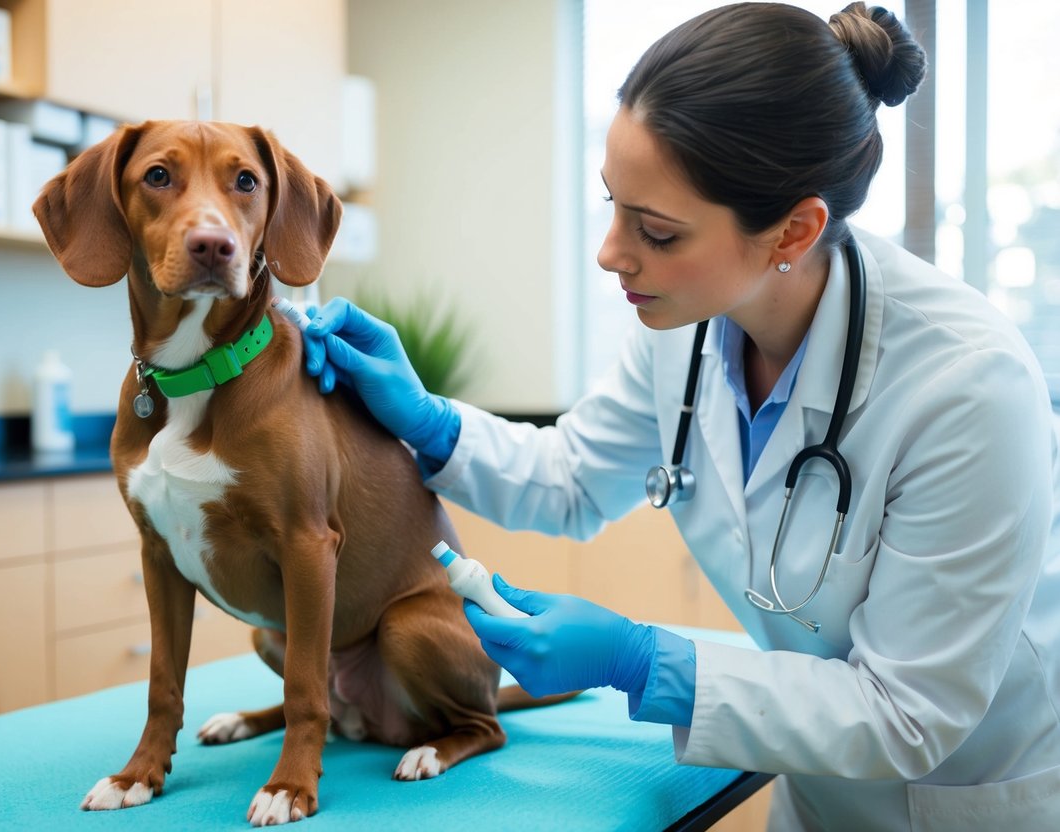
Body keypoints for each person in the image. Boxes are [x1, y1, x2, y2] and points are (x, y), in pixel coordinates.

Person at [300, 3, 1060, 830]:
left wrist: (642, 662)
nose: (610, 253)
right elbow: (570, 482)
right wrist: (425, 419)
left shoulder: (965, 385)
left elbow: (907, 712)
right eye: (612, 205)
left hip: (974, 791)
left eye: (655, 231)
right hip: (818, 783)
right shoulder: (689, 329)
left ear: (793, 230)